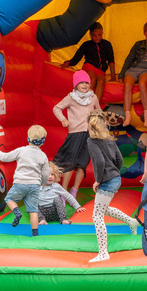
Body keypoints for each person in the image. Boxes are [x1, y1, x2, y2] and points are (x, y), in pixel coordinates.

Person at [86, 109, 140, 263]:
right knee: (104, 209)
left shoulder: (92, 141)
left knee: (97, 216)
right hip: (116, 178)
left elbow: (100, 162)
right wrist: (114, 172)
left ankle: (103, 252)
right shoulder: (109, 139)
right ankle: (131, 221)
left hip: (107, 180)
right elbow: (120, 160)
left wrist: (98, 179)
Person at [0, 125, 51, 236]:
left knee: (9, 198)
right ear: (43, 142)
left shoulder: (22, 150)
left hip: (20, 183)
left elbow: (6, 157)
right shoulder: (42, 155)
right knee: (33, 210)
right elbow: (45, 173)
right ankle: (35, 233)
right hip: (34, 185)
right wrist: (41, 182)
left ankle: (17, 212)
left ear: (28, 138)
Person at [52, 70, 97, 198]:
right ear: (76, 85)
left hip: (89, 134)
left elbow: (98, 112)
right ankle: (63, 192)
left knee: (82, 163)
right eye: (81, 82)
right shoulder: (71, 97)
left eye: (86, 82)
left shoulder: (93, 97)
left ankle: (74, 191)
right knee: (70, 163)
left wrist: (99, 125)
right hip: (75, 134)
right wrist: (63, 119)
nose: (84, 85)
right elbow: (56, 108)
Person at [62, 22, 116, 101]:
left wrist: (113, 76)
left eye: (99, 35)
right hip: (89, 67)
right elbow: (77, 57)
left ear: (102, 33)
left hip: (100, 70)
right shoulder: (86, 45)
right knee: (93, 79)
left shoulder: (107, 44)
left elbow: (111, 61)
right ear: (90, 35)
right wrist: (68, 62)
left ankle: (94, 106)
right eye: (94, 35)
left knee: (101, 81)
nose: (97, 37)